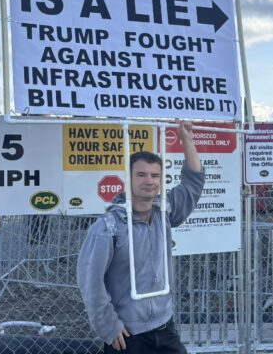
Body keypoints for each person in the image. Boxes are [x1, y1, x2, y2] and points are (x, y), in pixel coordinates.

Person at [77, 120, 204, 353]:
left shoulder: (165, 212)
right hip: (128, 334)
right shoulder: (108, 226)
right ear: (129, 179)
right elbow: (90, 281)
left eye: (155, 176)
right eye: (142, 175)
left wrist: (186, 138)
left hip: (165, 329)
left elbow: (193, 182)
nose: (149, 181)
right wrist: (108, 326)